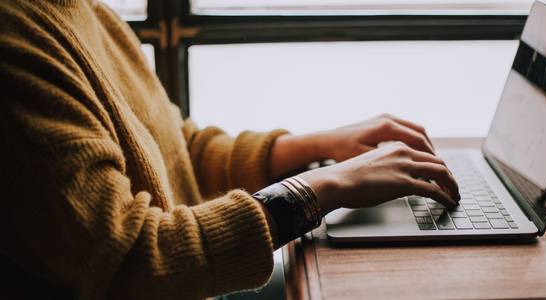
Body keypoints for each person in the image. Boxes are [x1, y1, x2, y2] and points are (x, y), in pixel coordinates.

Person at [0, 1, 460, 299]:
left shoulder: (83, 9)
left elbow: (179, 151)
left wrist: (320, 146)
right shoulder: (15, 42)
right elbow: (132, 261)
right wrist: (319, 188)